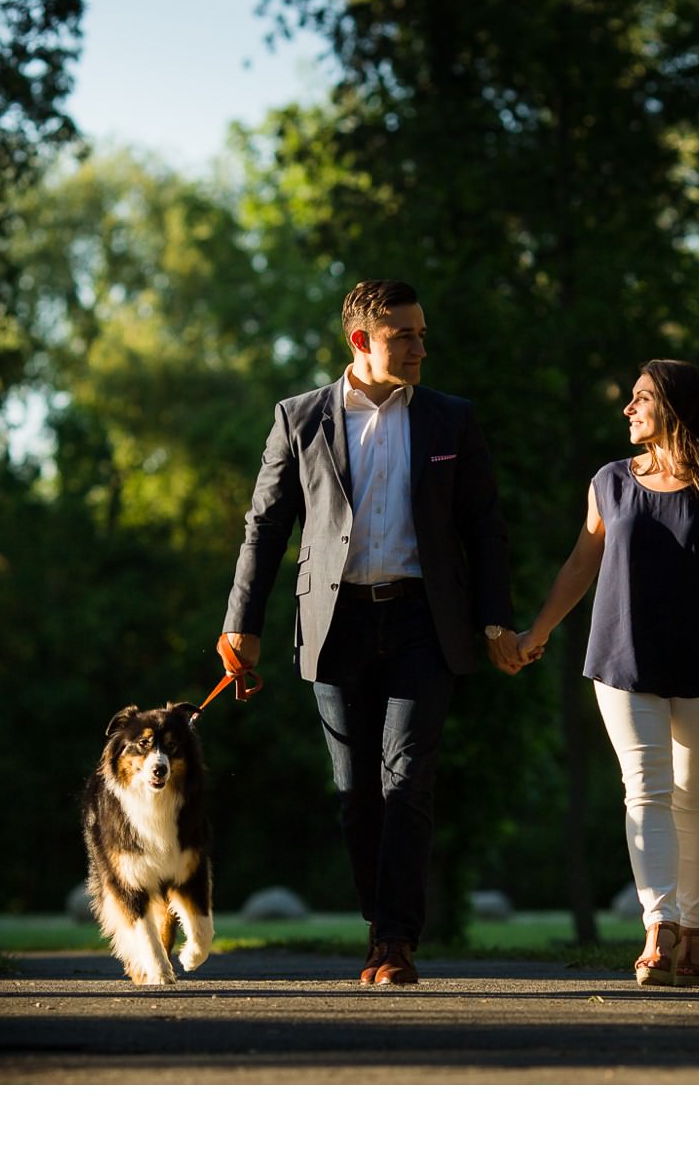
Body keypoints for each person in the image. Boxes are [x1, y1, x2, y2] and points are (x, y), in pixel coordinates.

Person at [220, 279, 524, 986]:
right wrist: (242, 624)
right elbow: (264, 528)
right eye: (406, 336)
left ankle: (394, 942)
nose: (422, 347)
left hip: (426, 621)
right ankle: (379, 923)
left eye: (423, 333)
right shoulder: (300, 419)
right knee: (357, 795)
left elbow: (486, 529)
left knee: (408, 782)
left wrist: (495, 618)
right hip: (335, 625)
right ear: (362, 341)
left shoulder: (453, 420)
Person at [515, 359, 699, 987]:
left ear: (675, 409)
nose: (627, 410)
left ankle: (695, 930)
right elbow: (581, 564)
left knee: (693, 791)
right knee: (647, 788)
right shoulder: (609, 482)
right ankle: (658, 928)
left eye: (639, 399)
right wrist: (537, 632)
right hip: (622, 656)